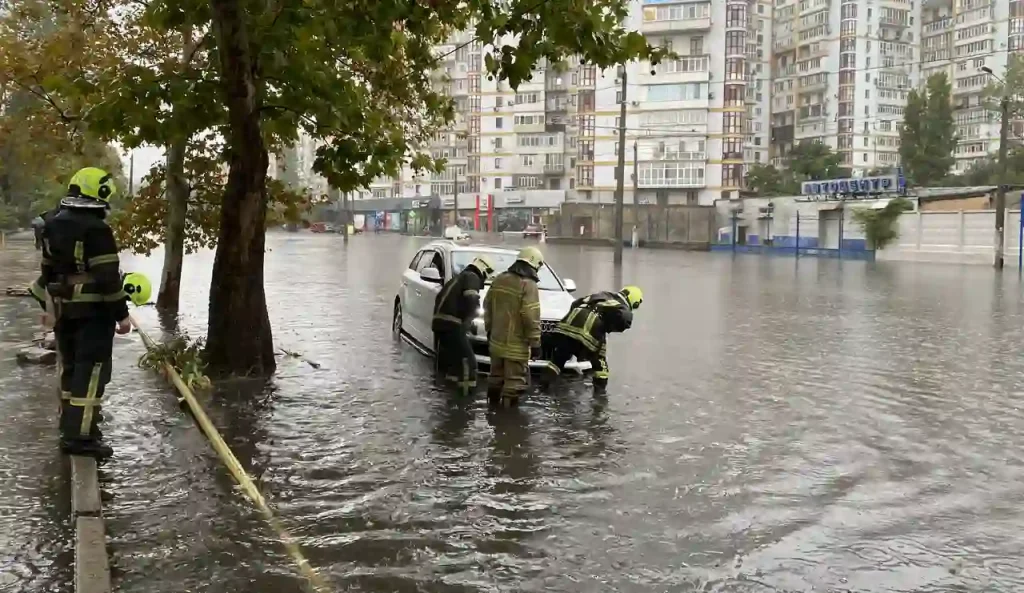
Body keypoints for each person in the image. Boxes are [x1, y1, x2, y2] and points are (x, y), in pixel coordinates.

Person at [28, 167, 132, 459]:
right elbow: (107, 276)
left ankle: (71, 427)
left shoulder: (52, 223)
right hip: (94, 313)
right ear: (98, 193)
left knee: (72, 369)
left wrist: (50, 308)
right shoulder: (96, 229)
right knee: (92, 373)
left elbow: (47, 270)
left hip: (65, 312)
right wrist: (122, 314)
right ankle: (81, 438)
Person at [540, 286, 643, 394]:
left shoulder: (602, 294)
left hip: (569, 325)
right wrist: (608, 325)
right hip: (589, 331)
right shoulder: (621, 305)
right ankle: (600, 397)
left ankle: (543, 389)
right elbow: (625, 320)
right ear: (634, 301)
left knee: (559, 358)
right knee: (601, 366)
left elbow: (575, 303)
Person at [483, 246, 544, 408]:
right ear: (534, 265)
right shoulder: (528, 285)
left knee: (495, 377)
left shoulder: (499, 279)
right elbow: (531, 316)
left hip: (496, 341)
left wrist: (489, 330)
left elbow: (487, 307)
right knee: (514, 384)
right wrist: (535, 343)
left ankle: (492, 413)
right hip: (516, 346)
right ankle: (508, 424)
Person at [432, 254, 495, 396]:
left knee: (454, 364)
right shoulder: (472, 277)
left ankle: (450, 396)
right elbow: (472, 301)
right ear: (484, 269)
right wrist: (469, 321)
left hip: (441, 324)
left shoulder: (459, 277)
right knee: (469, 363)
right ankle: (466, 401)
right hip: (451, 325)